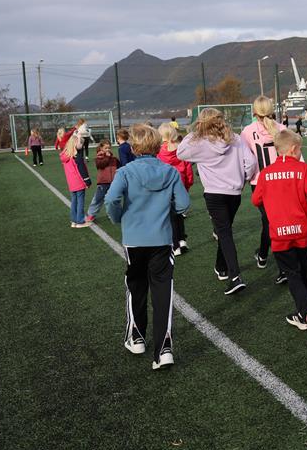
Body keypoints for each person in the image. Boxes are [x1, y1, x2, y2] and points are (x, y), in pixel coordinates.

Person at [105, 124, 191, 370]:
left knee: (136, 287)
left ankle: (137, 337)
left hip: (134, 239)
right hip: (162, 240)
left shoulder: (125, 171)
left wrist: (118, 217)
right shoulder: (170, 171)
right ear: (158, 146)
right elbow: (183, 205)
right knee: (163, 292)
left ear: (133, 147)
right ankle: (164, 350)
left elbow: (111, 199)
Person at [251, 129, 307, 342]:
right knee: (303, 272)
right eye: (300, 149)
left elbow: (256, 200)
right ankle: (305, 313)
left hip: (280, 233)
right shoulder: (303, 168)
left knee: (292, 274)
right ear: (293, 149)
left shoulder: (266, 173)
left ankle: (306, 312)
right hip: (302, 230)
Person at [177, 108, 257, 295]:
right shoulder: (235, 138)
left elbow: (180, 152)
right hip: (234, 192)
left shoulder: (200, 142)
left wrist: (194, 132)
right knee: (225, 230)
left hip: (214, 193)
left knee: (224, 232)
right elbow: (251, 163)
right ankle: (221, 266)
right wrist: (243, 179)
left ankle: (235, 276)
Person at [239, 97, 287, 272]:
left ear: (254, 112)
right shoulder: (282, 129)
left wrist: (245, 179)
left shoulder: (247, 131)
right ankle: (267, 257)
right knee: (277, 220)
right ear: (272, 110)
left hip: (260, 182)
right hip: (282, 179)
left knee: (269, 221)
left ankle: (268, 258)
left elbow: (246, 161)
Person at [157, 124, 194, 256]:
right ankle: (182, 240)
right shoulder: (181, 149)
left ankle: (175, 245)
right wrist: (187, 185)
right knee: (179, 214)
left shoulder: (159, 151)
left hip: (166, 187)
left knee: (170, 217)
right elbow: (188, 169)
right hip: (180, 185)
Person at [59, 133, 91, 228]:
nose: (82, 146)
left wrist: (79, 137)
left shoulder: (66, 155)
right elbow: (82, 170)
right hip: (79, 182)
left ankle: (74, 220)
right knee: (80, 202)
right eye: (81, 144)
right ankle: (80, 221)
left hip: (71, 183)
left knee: (74, 201)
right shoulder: (77, 157)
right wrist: (87, 180)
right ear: (76, 144)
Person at [85, 140, 119, 223]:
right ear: (101, 148)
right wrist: (107, 157)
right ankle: (91, 214)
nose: (108, 149)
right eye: (106, 148)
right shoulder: (99, 157)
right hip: (103, 182)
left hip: (113, 182)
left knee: (112, 199)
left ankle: (111, 214)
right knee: (98, 199)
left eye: (109, 148)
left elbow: (119, 166)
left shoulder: (113, 158)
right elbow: (100, 165)